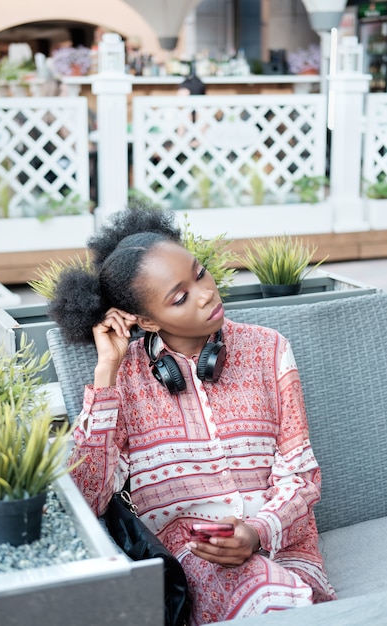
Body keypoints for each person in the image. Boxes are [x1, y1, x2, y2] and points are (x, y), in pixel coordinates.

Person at [49, 204, 336, 624]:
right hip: (196, 560)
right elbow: (89, 498)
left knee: (281, 593)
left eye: (200, 273)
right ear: (146, 319)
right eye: (180, 297)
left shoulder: (270, 349)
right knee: (265, 595)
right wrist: (106, 373)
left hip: (285, 547)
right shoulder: (122, 379)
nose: (206, 294)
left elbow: (302, 475)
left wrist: (258, 531)